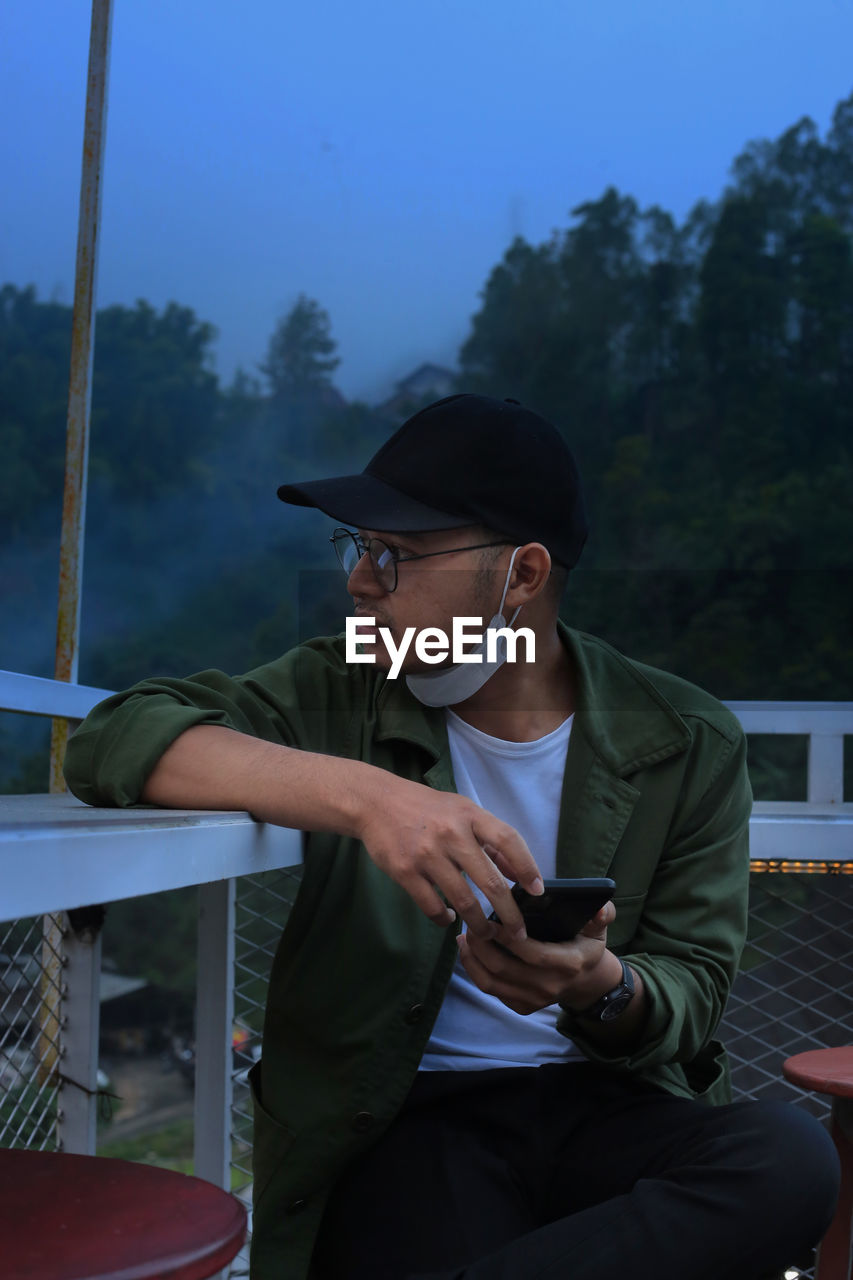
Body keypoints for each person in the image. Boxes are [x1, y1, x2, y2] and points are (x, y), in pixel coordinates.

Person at [65, 394, 838, 1280]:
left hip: (613, 1104)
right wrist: (368, 798)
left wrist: (598, 985)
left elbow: (693, 987)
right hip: (412, 1115)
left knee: (787, 1158)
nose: (359, 581)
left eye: (395, 555)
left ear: (521, 574)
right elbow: (115, 735)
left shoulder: (684, 735)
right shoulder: (347, 681)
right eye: (356, 548)